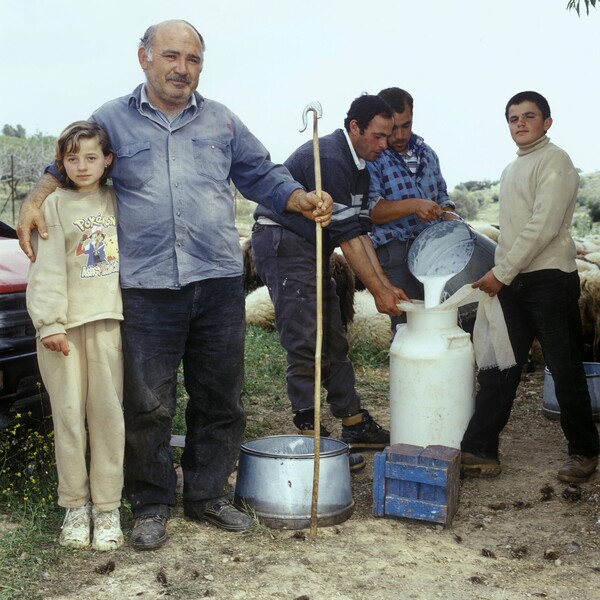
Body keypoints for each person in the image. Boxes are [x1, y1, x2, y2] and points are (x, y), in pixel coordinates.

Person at [18, 20, 332, 551]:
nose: (181, 68)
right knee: (147, 402)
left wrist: (298, 197)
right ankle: (151, 502)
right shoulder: (111, 119)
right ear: (143, 58)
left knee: (219, 396)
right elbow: (65, 164)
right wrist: (33, 198)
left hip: (216, 279)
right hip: (144, 285)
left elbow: (260, 172)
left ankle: (208, 495)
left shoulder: (221, 121)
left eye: (192, 60)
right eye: (171, 56)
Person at [251, 94, 408, 459]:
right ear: (355, 127)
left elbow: (360, 232)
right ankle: (310, 435)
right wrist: (378, 292)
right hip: (283, 241)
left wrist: (384, 286)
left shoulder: (361, 167)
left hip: (312, 245)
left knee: (333, 334)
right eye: (379, 136)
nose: (384, 145)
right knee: (306, 335)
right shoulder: (332, 159)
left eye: (389, 136)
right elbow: (349, 240)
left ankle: (353, 424)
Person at [460, 91, 600, 482]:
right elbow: (513, 231)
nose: (519, 123)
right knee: (500, 363)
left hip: (549, 279)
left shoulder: (556, 161)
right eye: (512, 118)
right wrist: (503, 272)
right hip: (512, 279)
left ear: (547, 123)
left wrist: (501, 272)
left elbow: (543, 227)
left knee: (564, 366)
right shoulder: (510, 170)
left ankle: (585, 451)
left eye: (528, 116)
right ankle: (481, 449)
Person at [26, 121, 124, 551]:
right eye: (72, 158)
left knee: (107, 416)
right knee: (68, 417)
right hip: (62, 331)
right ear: (61, 162)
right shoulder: (54, 206)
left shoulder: (117, 200)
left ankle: (107, 508)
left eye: (91, 157)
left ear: (108, 160)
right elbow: (46, 267)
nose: (82, 166)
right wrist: (50, 324)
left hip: (106, 324)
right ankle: (75, 506)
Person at [367, 87, 455, 332]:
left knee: (440, 317)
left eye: (405, 125)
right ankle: (408, 367)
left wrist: (446, 211)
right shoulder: (375, 156)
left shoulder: (428, 154)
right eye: (392, 127)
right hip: (395, 250)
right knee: (408, 324)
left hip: (432, 250)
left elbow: (442, 196)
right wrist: (414, 205)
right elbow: (372, 211)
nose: (398, 135)